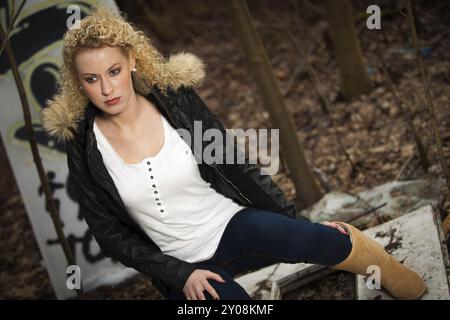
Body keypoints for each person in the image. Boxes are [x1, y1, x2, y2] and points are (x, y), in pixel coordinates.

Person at [41, 6, 426, 300]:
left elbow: (237, 169)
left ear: (132, 61)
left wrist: (297, 224)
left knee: (328, 241)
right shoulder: (84, 145)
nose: (107, 88)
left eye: (114, 71)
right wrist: (178, 275)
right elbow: (109, 234)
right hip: (182, 268)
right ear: (80, 83)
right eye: (92, 79)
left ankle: (382, 263)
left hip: (232, 226)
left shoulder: (176, 103)